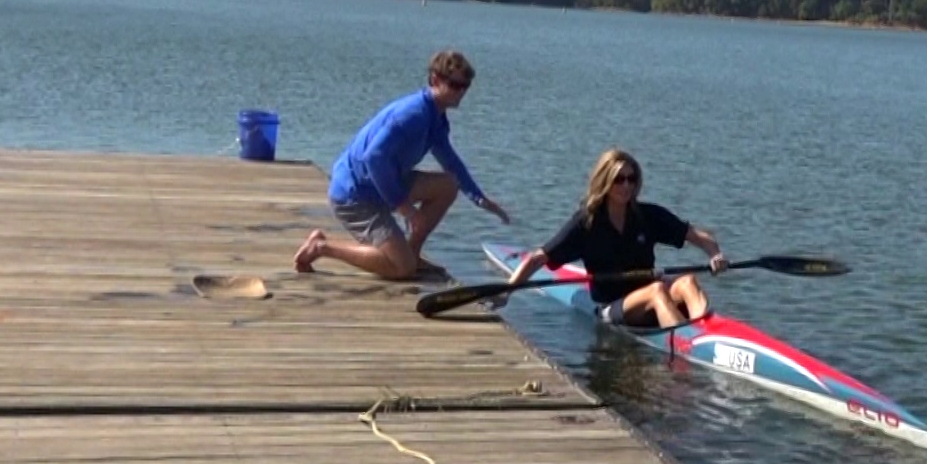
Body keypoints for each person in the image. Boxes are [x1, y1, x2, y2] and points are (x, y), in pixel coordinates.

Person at [294, 49, 510, 279]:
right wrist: (405, 208)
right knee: (401, 269)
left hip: (382, 185)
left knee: (448, 185)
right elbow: (373, 158)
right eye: (455, 85)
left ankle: (412, 253)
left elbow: (451, 162)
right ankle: (322, 247)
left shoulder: (436, 117)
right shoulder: (413, 114)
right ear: (435, 80)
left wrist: (480, 198)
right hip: (354, 196)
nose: (461, 92)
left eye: (466, 86)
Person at [501, 149, 726, 328]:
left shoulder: (647, 215)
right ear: (605, 183)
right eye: (619, 179)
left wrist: (715, 255)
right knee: (658, 290)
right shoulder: (586, 223)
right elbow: (537, 259)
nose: (626, 185)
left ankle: (705, 334)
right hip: (610, 306)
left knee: (687, 281)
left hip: (648, 293)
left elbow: (699, 236)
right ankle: (686, 343)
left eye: (631, 178)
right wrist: (507, 292)